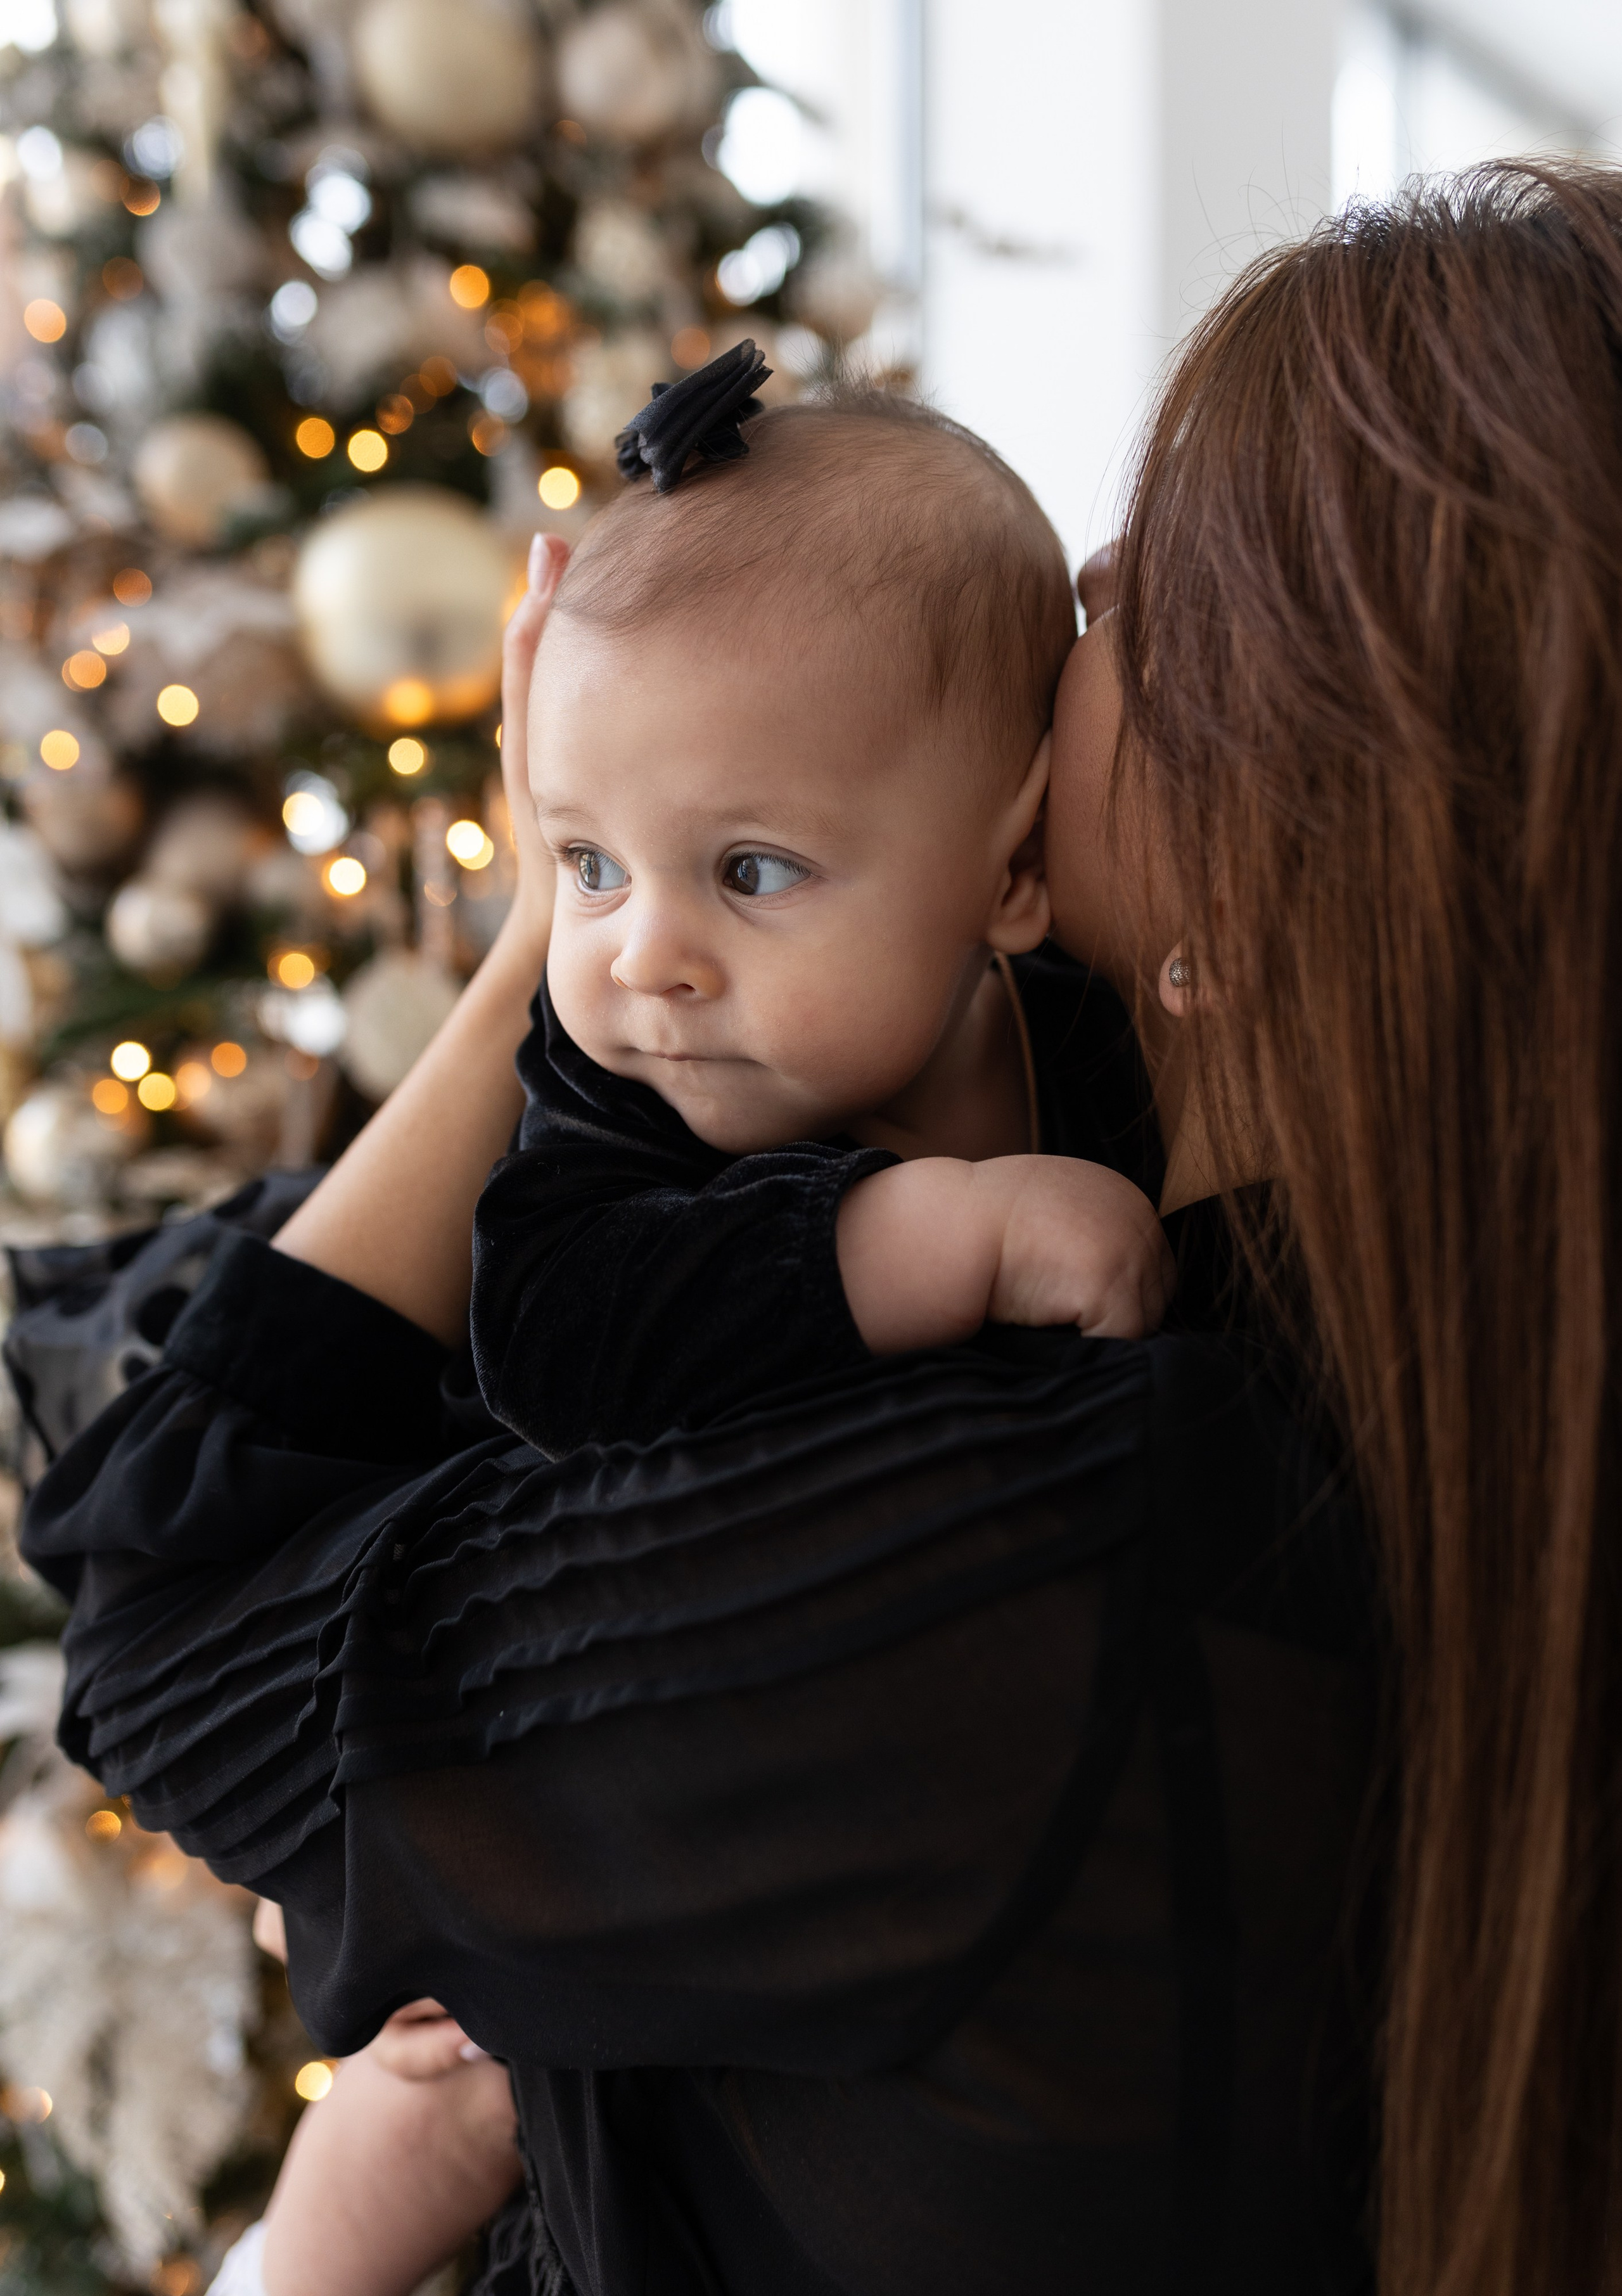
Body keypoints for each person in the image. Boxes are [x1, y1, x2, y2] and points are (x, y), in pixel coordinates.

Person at [18, 158, 1619, 2296]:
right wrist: (646, 848)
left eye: (1142, 596)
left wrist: (553, 926)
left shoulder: (1073, 1538)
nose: (1083, 597)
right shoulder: (1446, 1406)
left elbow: (174, 1632)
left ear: (1259, 891)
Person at [246, 363, 1180, 2296]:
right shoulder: (615, 1116)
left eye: (751, 871)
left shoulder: (1083, 1039)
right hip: (504, 1761)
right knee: (437, 2114)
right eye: (586, 861)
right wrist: (940, 1232)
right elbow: (573, 1341)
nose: (641, 956)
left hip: (779, 1831)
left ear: (1008, 873)